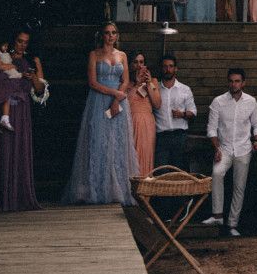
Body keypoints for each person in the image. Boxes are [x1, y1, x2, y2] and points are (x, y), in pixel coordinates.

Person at [62, 22, 139, 205]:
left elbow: (125, 80)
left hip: (118, 102)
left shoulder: (122, 55)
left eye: (113, 33)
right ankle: (96, 189)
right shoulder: (94, 54)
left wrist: (117, 100)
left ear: (117, 35)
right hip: (98, 100)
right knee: (98, 141)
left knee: (117, 142)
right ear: (102, 35)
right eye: (107, 33)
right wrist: (114, 93)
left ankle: (116, 190)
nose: (110, 36)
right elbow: (92, 83)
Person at [0, 29, 48, 212]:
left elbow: (40, 90)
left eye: (26, 42)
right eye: (19, 41)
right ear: (13, 41)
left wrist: (32, 76)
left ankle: (15, 196)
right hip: (2, 107)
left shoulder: (31, 61)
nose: (22, 45)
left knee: (16, 150)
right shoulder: (3, 57)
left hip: (21, 111)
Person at [204, 68, 257, 237]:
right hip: (224, 148)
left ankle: (232, 224)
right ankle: (217, 216)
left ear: (243, 83)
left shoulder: (251, 101)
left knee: (239, 186)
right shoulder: (218, 102)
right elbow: (211, 128)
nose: (234, 84)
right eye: (231, 81)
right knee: (217, 173)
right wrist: (216, 148)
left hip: (244, 149)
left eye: (237, 81)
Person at [152, 52, 195, 172]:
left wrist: (182, 114)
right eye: (165, 66)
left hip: (179, 136)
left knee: (180, 173)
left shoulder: (185, 89)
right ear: (161, 68)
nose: (168, 69)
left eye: (171, 66)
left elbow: (193, 112)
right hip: (161, 137)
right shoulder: (155, 89)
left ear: (176, 69)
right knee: (161, 173)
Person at [126, 51, 161, 177]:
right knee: (130, 153)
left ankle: (144, 184)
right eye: (135, 62)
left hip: (146, 122)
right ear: (130, 65)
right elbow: (125, 103)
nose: (139, 65)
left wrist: (149, 83)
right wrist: (136, 84)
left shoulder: (153, 81)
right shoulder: (126, 83)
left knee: (145, 153)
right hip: (130, 120)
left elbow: (157, 104)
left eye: (141, 62)